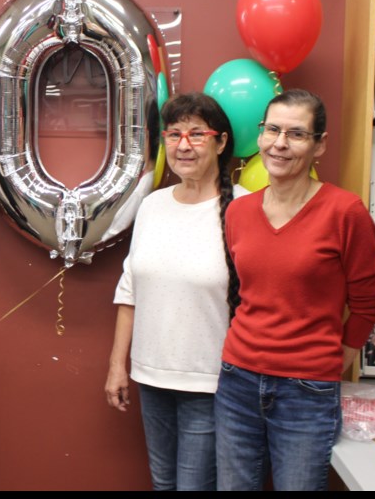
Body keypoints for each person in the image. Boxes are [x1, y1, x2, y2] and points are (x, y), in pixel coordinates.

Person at [215, 88, 375, 491]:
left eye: (296, 134)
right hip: (237, 382)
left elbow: (366, 304)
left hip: (307, 391)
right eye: (272, 129)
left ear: (319, 145)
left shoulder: (346, 212)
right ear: (259, 136)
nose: (280, 143)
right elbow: (245, 291)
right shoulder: (238, 212)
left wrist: (326, 362)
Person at [105, 92, 247, 491]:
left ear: (221, 143)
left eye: (197, 134)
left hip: (213, 384)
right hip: (151, 377)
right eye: (174, 134)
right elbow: (130, 289)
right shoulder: (152, 206)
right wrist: (119, 365)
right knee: (164, 483)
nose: (184, 145)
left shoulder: (244, 209)